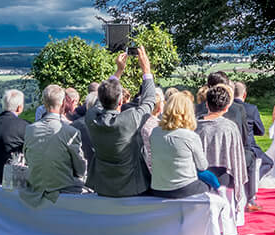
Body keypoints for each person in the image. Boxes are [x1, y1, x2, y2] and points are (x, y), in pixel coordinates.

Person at [85, 46, 162, 197]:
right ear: (120, 102)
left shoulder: (91, 117)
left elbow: (101, 100)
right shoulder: (130, 119)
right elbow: (149, 100)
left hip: (102, 185)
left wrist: (118, 71)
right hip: (132, 186)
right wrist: (146, 69)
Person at [22, 90, 90, 198]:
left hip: (35, 185)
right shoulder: (71, 131)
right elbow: (81, 169)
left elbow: (27, 158)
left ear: (44, 103)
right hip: (63, 188)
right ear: (63, 103)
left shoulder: (30, 129)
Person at [146, 91, 212, 199]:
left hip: (158, 188)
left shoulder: (155, 133)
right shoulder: (190, 136)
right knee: (211, 184)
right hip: (184, 188)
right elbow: (202, 166)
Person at [194, 86, 248, 202]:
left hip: (198, 178)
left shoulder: (195, 126)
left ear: (207, 104)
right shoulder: (230, 127)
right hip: (224, 178)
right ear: (227, 107)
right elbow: (237, 159)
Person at [227, 79, 271, 209]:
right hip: (248, 145)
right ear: (244, 94)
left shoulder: (227, 108)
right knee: (268, 162)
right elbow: (261, 130)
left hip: (230, 147)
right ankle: (251, 190)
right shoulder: (251, 109)